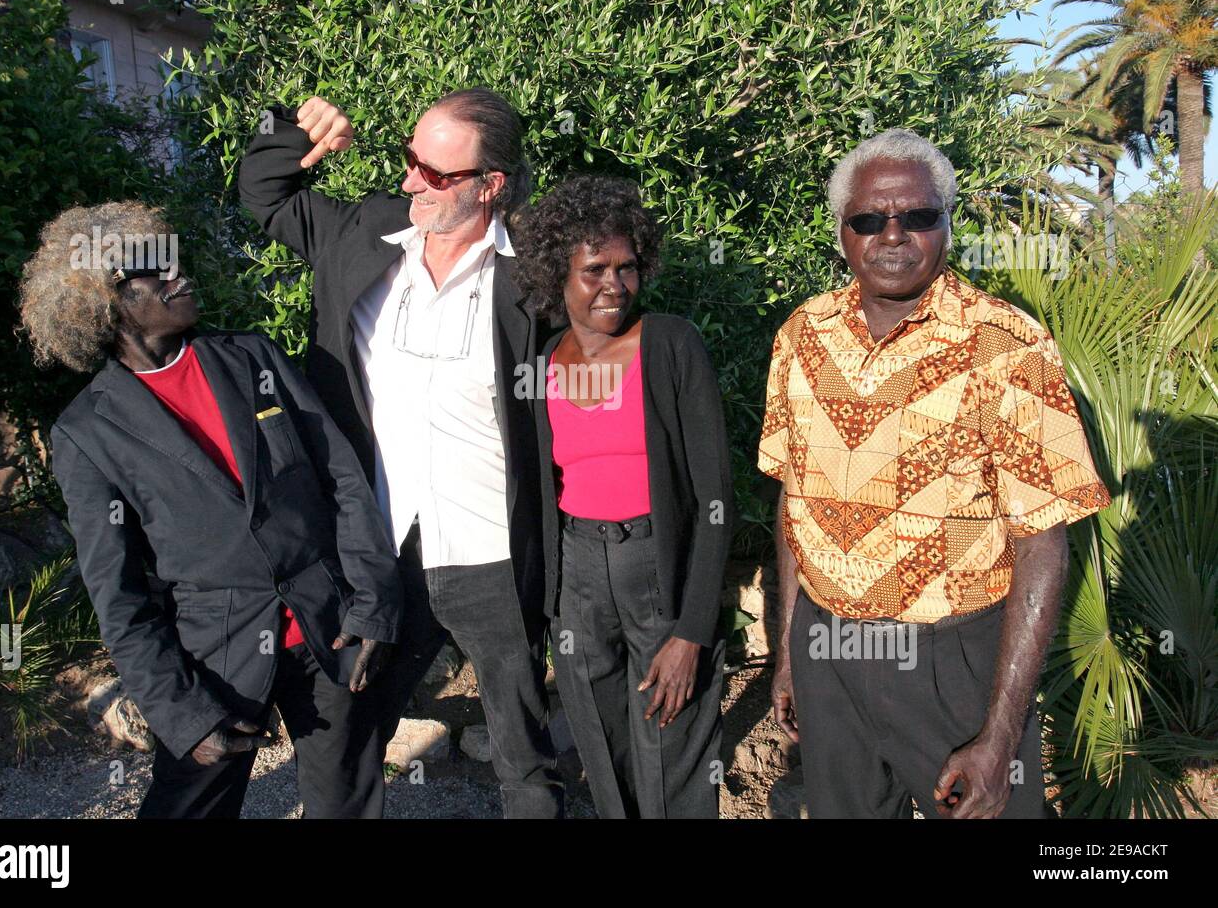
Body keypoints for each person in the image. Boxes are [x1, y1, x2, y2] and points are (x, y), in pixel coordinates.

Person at [758, 129, 1111, 818]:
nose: (892, 235)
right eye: (869, 219)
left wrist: (1002, 733)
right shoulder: (802, 335)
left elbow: (1042, 541)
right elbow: (793, 499)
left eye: (917, 216)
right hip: (828, 651)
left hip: (952, 662)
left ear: (948, 222)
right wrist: (790, 651)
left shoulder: (1006, 344)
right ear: (843, 232)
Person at [238, 89, 563, 818]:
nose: (413, 179)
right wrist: (294, 131)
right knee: (350, 735)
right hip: (377, 551)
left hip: (493, 553)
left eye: (437, 173)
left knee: (523, 753)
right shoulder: (366, 231)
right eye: (410, 160)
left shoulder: (539, 276)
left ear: (493, 184)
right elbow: (264, 193)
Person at [22, 201, 403, 818]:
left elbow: (344, 479)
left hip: (328, 629)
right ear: (105, 300)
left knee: (349, 805)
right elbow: (118, 594)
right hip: (217, 657)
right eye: (158, 273)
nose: (181, 277)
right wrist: (183, 715)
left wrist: (374, 604)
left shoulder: (255, 360)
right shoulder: (88, 431)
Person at [511, 175, 732, 818]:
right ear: (559, 274)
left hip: (656, 568)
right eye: (594, 270)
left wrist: (691, 633)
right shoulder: (546, 361)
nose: (614, 284)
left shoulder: (670, 345)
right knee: (602, 748)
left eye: (627, 268)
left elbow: (716, 498)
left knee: (673, 738)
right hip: (577, 575)